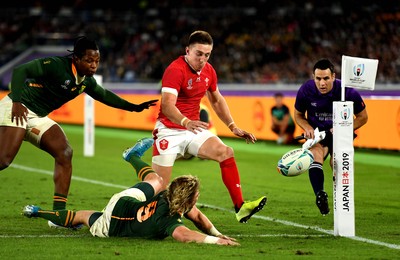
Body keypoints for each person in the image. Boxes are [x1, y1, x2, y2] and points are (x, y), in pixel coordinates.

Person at [0, 36, 158, 217]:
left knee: (65, 152)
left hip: (38, 116)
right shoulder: (56, 65)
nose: (94, 65)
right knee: (3, 160)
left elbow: (104, 95)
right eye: (89, 60)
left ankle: (59, 214)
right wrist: (18, 102)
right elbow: (21, 70)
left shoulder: (86, 81)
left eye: (97, 61)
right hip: (17, 107)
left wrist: (133, 107)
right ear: (76, 58)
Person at [22, 138, 239, 246]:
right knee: (82, 216)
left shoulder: (167, 194)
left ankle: (131, 157)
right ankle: (36, 211)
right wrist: (216, 240)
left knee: (156, 179)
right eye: (196, 195)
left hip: (124, 203)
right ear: (188, 200)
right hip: (112, 227)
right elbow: (184, 234)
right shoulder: (170, 221)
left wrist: (217, 235)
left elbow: (198, 216)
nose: (198, 198)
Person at [151, 30, 267, 223]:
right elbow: (167, 105)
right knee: (158, 187)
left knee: (226, 152)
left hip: (192, 129)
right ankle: (143, 216)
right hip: (169, 131)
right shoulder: (175, 69)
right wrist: (186, 121)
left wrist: (233, 126)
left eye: (207, 55)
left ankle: (240, 207)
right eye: (199, 54)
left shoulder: (209, 71)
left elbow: (217, 100)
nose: (203, 59)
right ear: (187, 50)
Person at [293, 59, 368, 215]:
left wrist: (344, 127)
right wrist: (307, 128)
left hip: (340, 134)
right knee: (315, 155)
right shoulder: (306, 90)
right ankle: (320, 195)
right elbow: (298, 115)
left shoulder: (347, 92)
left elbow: (363, 117)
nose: (322, 83)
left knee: (337, 162)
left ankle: (342, 203)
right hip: (318, 133)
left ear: (333, 76)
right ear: (313, 77)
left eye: (326, 78)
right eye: (318, 78)